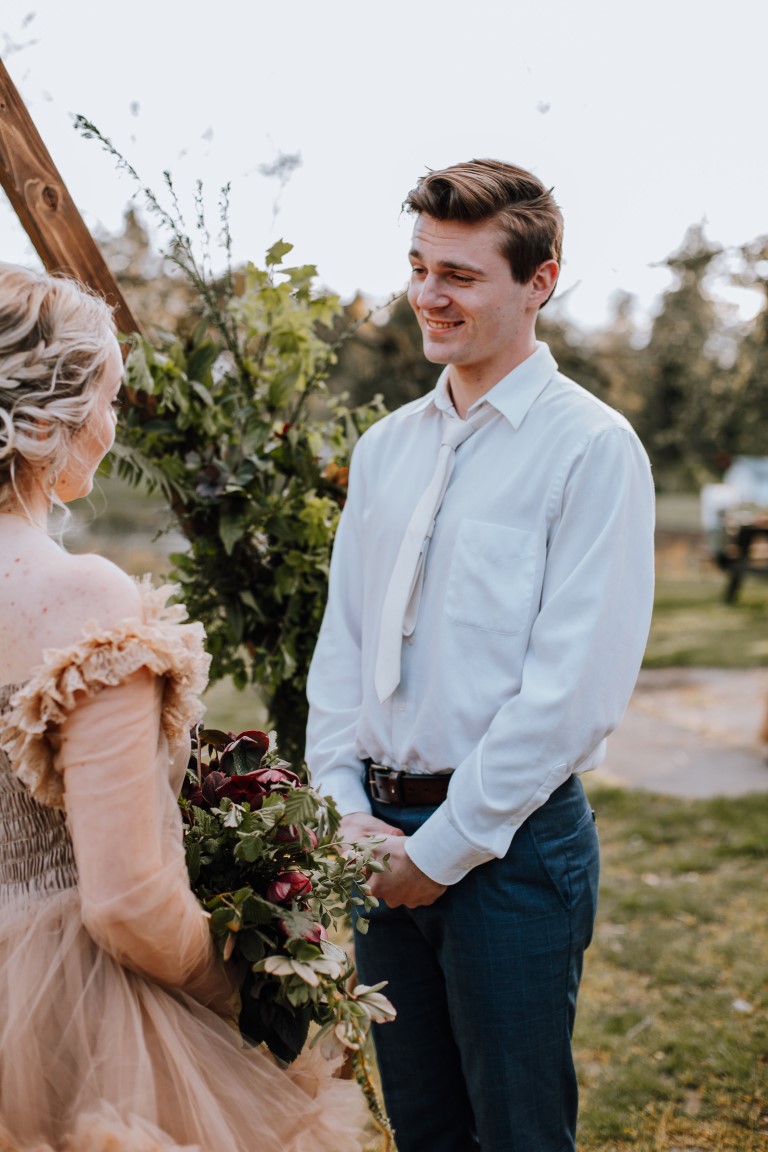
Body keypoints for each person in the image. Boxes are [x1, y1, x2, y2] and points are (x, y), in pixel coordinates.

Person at [305, 159, 656, 1151]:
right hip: (376, 843)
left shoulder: (592, 449)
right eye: (419, 266)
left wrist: (444, 849)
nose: (428, 294)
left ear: (539, 281)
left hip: (510, 850)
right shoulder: (384, 450)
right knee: (421, 1126)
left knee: (517, 1132)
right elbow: (345, 647)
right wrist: (346, 810)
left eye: (458, 274)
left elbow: (574, 693)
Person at [0, 262, 368, 1151]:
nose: (112, 425)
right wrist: (245, 998)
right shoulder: (77, 597)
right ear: (46, 422)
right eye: (109, 400)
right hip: (77, 1028)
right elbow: (126, 900)